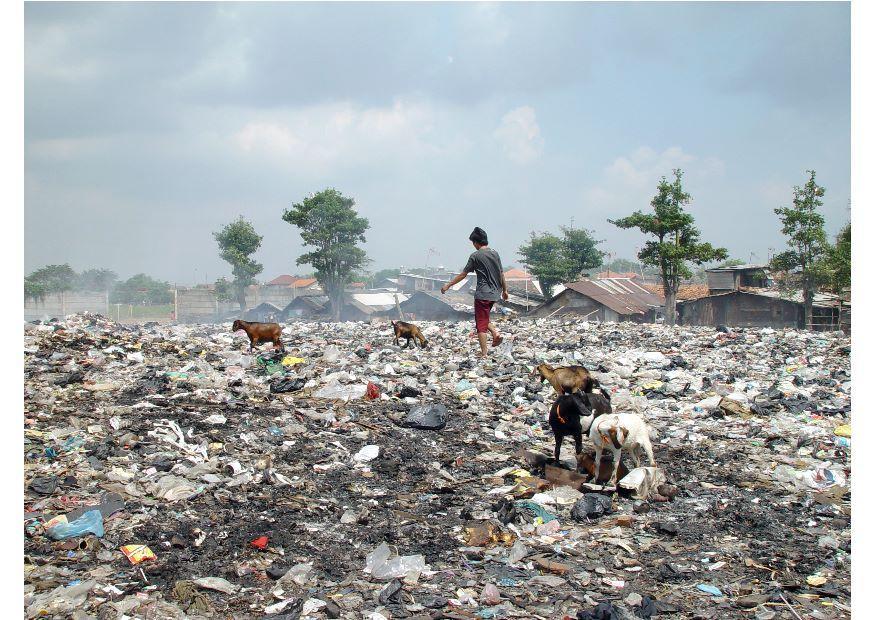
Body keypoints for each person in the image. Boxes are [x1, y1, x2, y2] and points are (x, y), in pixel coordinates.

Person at [441, 227, 509, 358]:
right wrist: (505, 290)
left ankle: (484, 353)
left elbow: (463, 275)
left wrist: (448, 285)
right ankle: (495, 334)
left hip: (483, 294)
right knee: (483, 318)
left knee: (480, 325)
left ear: (476, 242)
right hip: (495, 293)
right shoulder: (495, 253)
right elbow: (501, 273)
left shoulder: (475, 256)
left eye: (473, 243)